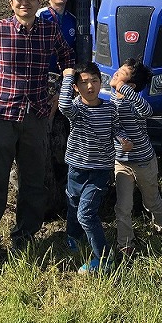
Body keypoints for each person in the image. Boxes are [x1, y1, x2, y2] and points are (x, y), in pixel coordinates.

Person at [0, 0, 76, 266]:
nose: (24, 3)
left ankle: (24, 235)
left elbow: (67, 59)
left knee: (34, 181)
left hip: (36, 116)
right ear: (11, 2)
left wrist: (58, 97)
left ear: (39, 2)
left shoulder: (50, 30)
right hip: (1, 115)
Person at [59, 62, 132, 274]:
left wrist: (123, 139)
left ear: (102, 82)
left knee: (86, 214)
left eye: (94, 81)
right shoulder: (77, 109)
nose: (90, 86)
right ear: (75, 87)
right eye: (83, 83)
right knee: (72, 203)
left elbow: (116, 128)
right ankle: (74, 236)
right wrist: (67, 76)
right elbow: (63, 106)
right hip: (76, 167)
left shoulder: (110, 108)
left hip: (99, 170)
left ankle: (105, 259)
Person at [111, 59, 162, 260]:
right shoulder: (111, 100)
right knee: (123, 206)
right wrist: (120, 138)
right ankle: (125, 244)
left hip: (144, 161)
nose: (116, 74)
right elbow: (111, 126)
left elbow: (147, 110)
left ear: (131, 86)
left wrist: (125, 90)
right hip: (122, 162)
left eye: (121, 74)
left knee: (151, 200)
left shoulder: (134, 102)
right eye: (118, 71)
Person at [38, 0, 78, 216]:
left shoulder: (74, 21)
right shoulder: (41, 17)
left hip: (64, 83)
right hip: (42, 81)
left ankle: (62, 193)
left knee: (61, 135)